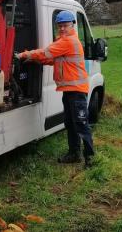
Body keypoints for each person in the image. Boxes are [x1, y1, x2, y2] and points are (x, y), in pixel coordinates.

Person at [17, 10, 95, 168]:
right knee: (71, 123)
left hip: (77, 90)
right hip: (69, 90)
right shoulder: (65, 41)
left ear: (72, 25)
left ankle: (90, 159)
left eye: (65, 25)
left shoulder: (68, 41)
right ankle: (74, 154)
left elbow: (45, 52)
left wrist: (24, 55)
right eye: (59, 26)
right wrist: (37, 61)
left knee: (80, 124)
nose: (62, 29)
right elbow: (54, 60)